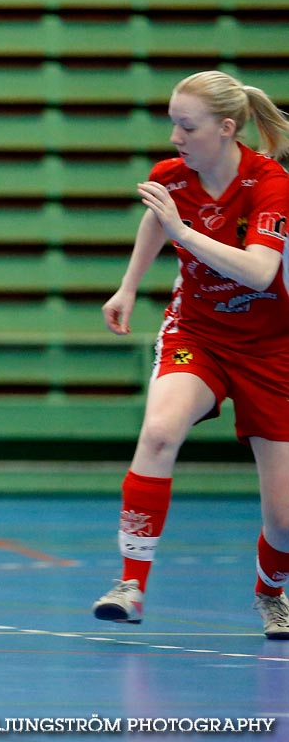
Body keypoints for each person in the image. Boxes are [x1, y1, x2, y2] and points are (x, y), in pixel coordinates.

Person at [92, 70, 289, 640]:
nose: (175, 137)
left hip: (270, 347)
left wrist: (183, 230)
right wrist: (128, 285)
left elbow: (259, 271)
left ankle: (270, 593)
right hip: (196, 333)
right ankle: (130, 585)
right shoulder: (172, 179)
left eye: (187, 126)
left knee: (283, 520)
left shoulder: (269, 183)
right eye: (172, 124)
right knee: (158, 432)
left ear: (227, 129)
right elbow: (157, 218)